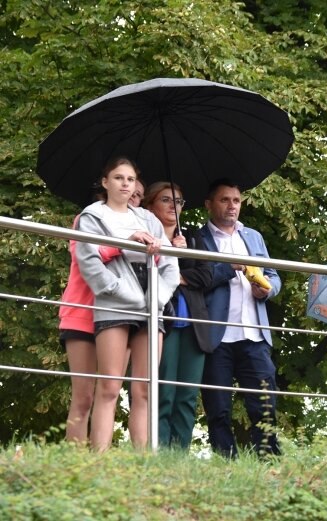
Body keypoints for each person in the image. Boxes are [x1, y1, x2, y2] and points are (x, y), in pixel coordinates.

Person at [74, 157, 180, 451]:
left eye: (130, 179)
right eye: (119, 178)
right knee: (109, 387)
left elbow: (171, 265)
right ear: (105, 182)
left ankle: (143, 463)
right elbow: (89, 263)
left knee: (144, 390)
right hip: (114, 304)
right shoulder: (91, 217)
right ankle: (99, 460)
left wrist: (156, 298)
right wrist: (121, 290)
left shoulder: (148, 219)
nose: (125, 184)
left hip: (151, 306)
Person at [197, 178, 282, 457]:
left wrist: (266, 292)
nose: (232, 205)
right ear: (209, 204)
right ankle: (226, 464)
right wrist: (227, 267)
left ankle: (269, 462)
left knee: (265, 405)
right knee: (218, 407)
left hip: (254, 334)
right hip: (217, 335)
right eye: (224, 199)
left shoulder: (254, 237)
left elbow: (274, 276)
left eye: (236, 200)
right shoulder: (197, 238)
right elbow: (197, 280)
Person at [59, 185, 146, 443]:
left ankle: (102, 460)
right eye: (129, 189)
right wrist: (122, 244)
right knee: (83, 396)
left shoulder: (138, 228)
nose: (132, 195)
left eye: (139, 194)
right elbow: (84, 255)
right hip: (84, 312)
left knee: (110, 390)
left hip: (119, 314)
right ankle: (76, 463)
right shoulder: (86, 219)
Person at [143, 182, 213, 449]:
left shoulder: (195, 239)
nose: (174, 206)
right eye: (166, 200)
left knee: (187, 396)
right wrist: (170, 256)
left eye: (179, 201)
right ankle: (158, 453)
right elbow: (147, 276)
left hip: (195, 327)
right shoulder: (145, 239)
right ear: (150, 205)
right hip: (164, 322)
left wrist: (181, 260)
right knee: (164, 392)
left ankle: (179, 457)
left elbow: (207, 275)